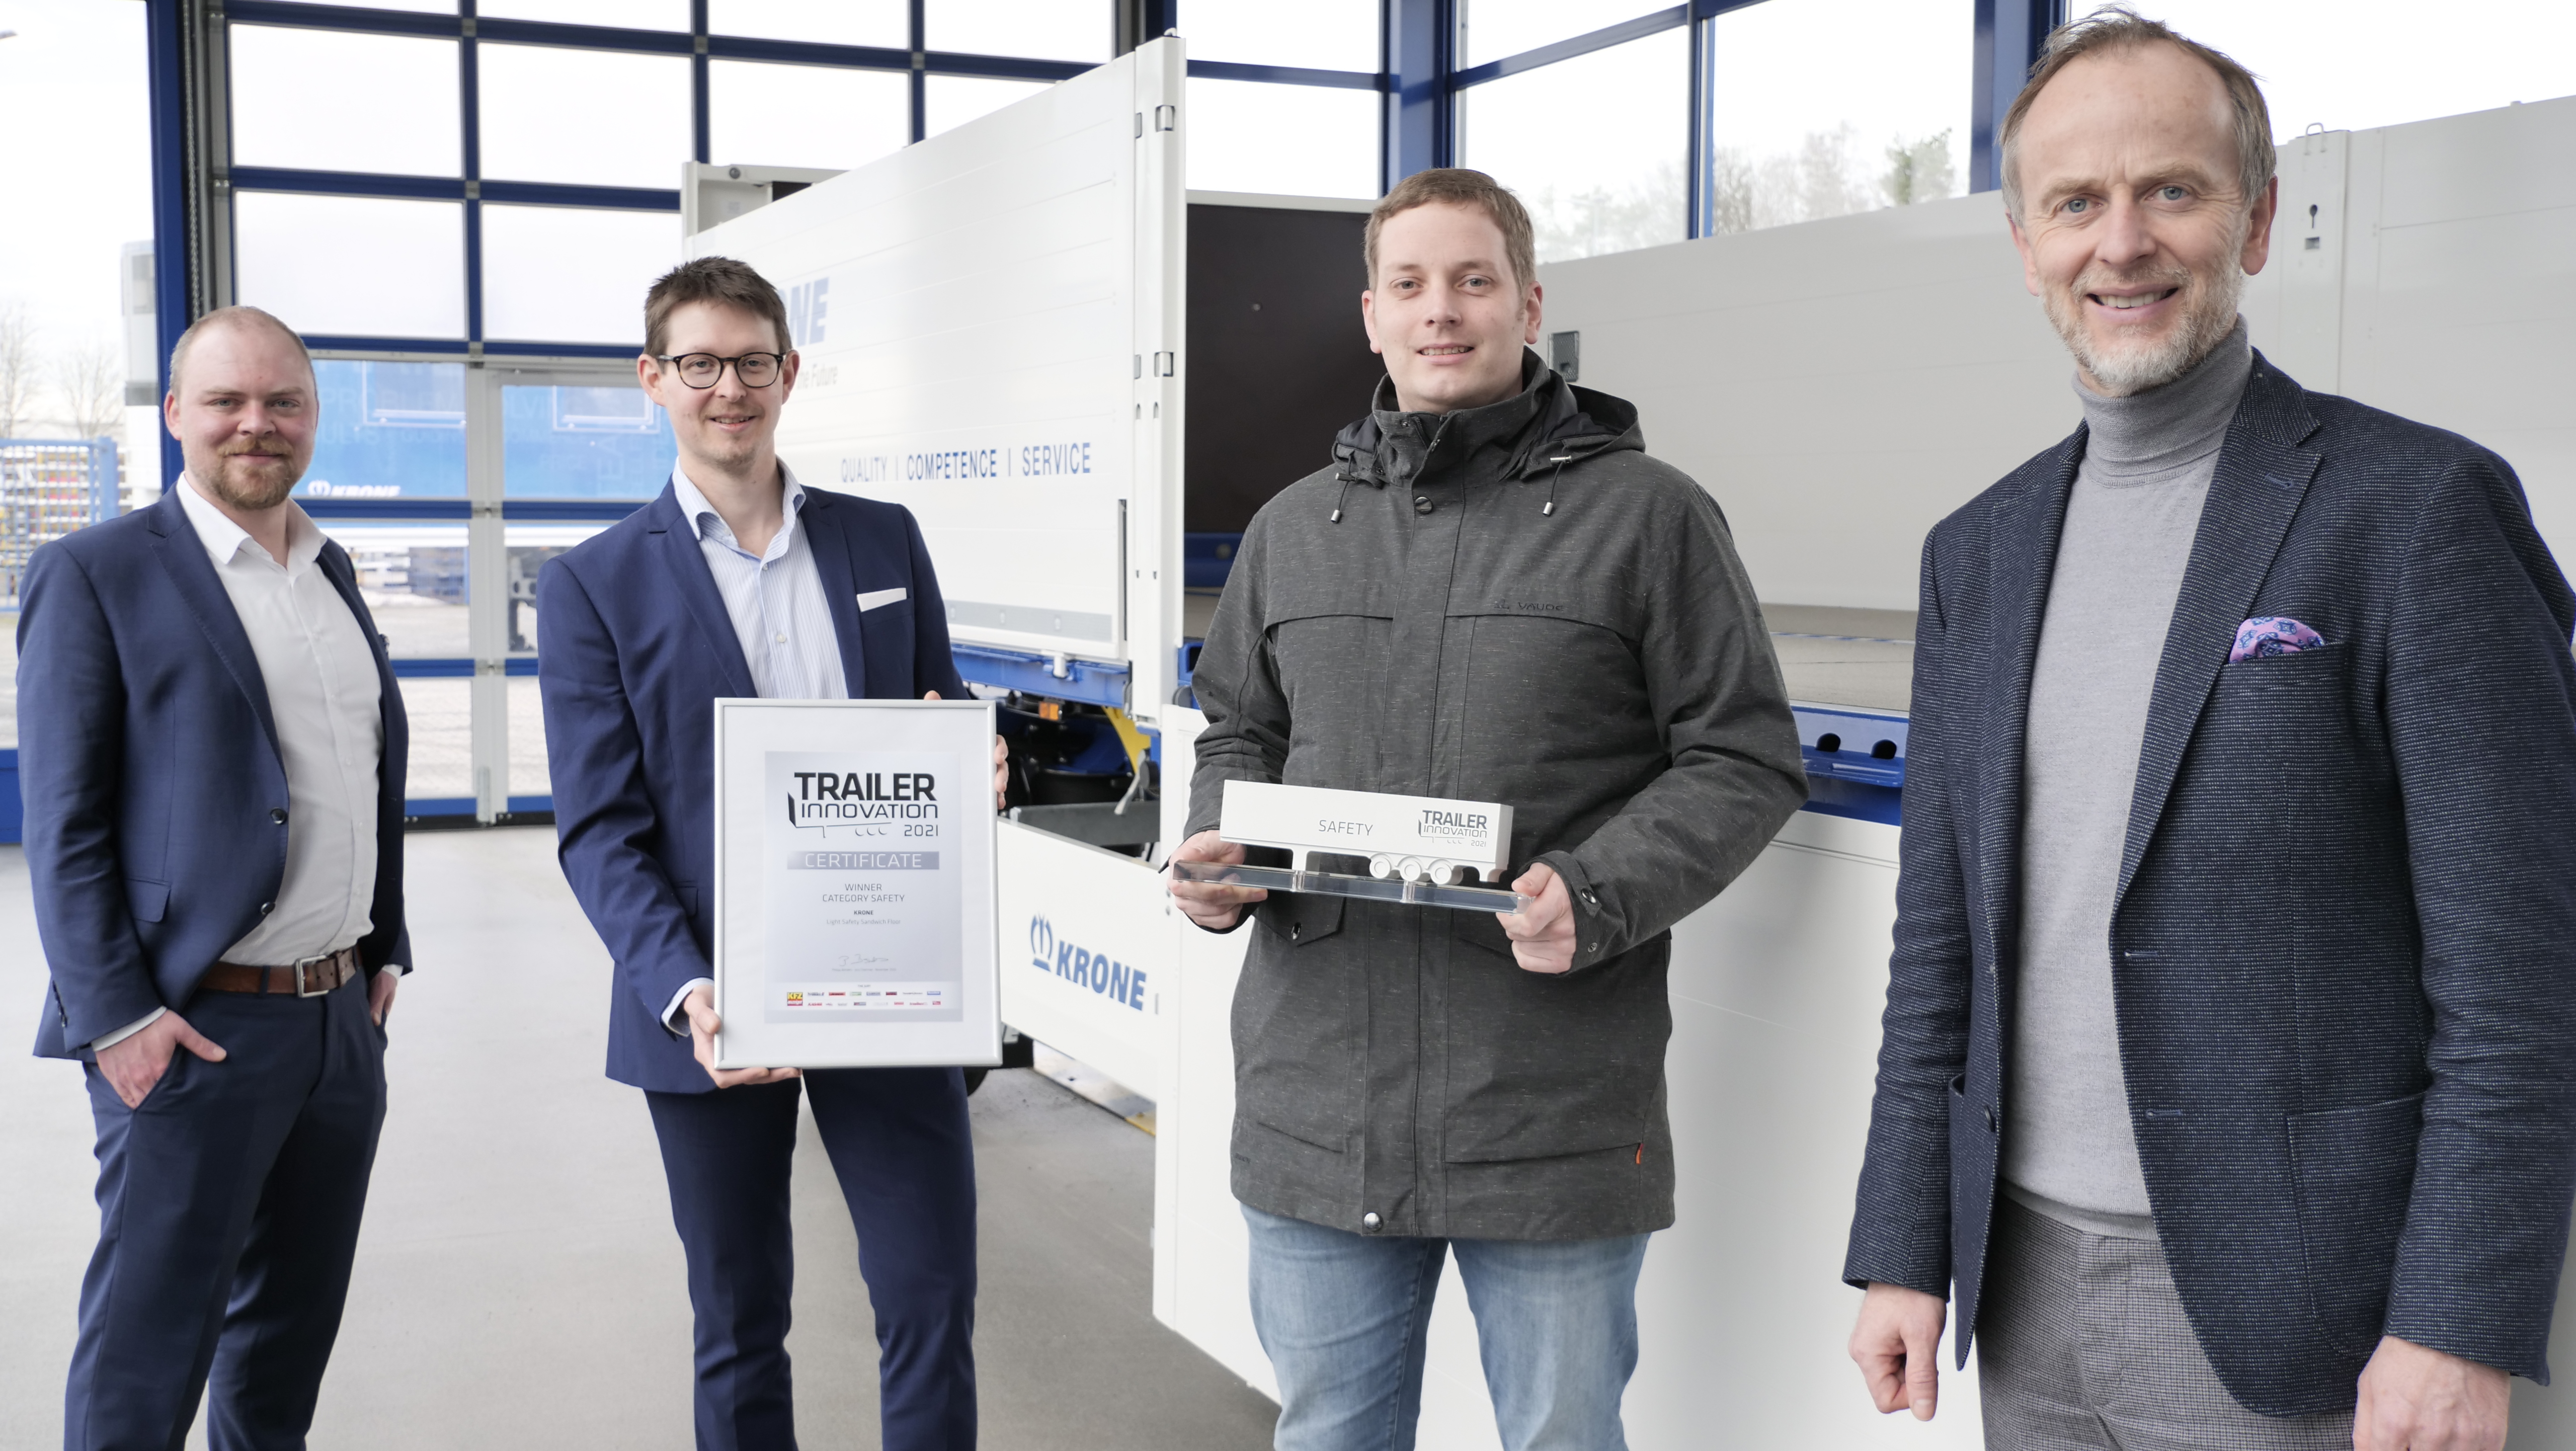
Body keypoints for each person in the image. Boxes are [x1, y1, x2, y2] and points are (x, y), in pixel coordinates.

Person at [1842, 11, 2576, 1451]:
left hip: (2308, 1311)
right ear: (2025, 245)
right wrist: (1902, 1245)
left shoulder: (2415, 512)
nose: (2121, 243)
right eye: (2076, 203)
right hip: (2021, 1290)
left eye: (2170, 189)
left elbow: (2522, 978)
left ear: (2256, 219)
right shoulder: (1975, 553)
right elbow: (1938, 950)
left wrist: (2456, 1319)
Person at [1167, 168, 1807, 1451]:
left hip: (1550, 1106)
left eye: (1473, 280)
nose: (1441, 311)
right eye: (1409, 285)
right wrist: (1219, 850)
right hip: (1317, 1103)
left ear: (1529, 301)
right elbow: (1239, 726)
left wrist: (1602, 889)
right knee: (1330, 1433)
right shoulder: (1294, 529)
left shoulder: (1652, 519)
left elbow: (1742, 755)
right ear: (1371, 315)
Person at [538, 256, 1004, 1451]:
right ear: (654, 378)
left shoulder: (881, 539)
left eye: (751, 362)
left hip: (888, 983)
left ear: (789, 373)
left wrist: (970, 759)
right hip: (713, 1003)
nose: (729, 388)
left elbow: (936, 709)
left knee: (930, 1297)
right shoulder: (593, 584)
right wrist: (688, 987)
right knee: (739, 1315)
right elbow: (600, 829)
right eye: (699, 363)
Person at [19, 305, 412, 1450]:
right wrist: (119, 1018)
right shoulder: (95, 572)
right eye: (226, 401)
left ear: (314, 416)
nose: (257, 423)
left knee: (285, 1347)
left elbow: (357, 772)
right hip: (192, 1027)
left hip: (336, 1027)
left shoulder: (331, 571)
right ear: (175, 414)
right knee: (144, 1364)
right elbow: (64, 822)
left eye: (283, 401)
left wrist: (382, 947)